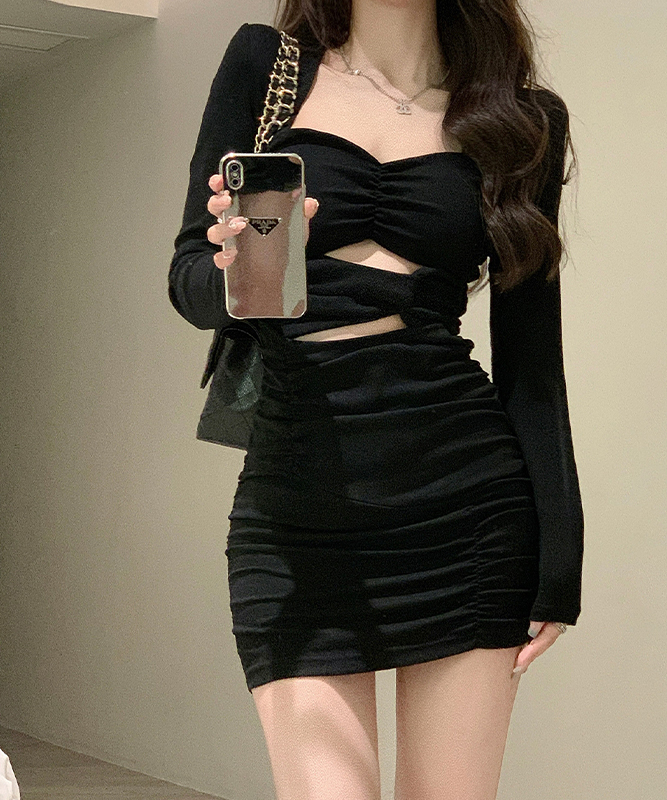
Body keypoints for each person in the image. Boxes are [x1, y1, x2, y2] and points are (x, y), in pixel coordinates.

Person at [169, 1, 583, 798]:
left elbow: (533, 360)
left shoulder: (523, 119)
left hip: (469, 512)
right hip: (297, 510)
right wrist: (235, 269)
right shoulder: (266, 68)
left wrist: (559, 561)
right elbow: (190, 282)